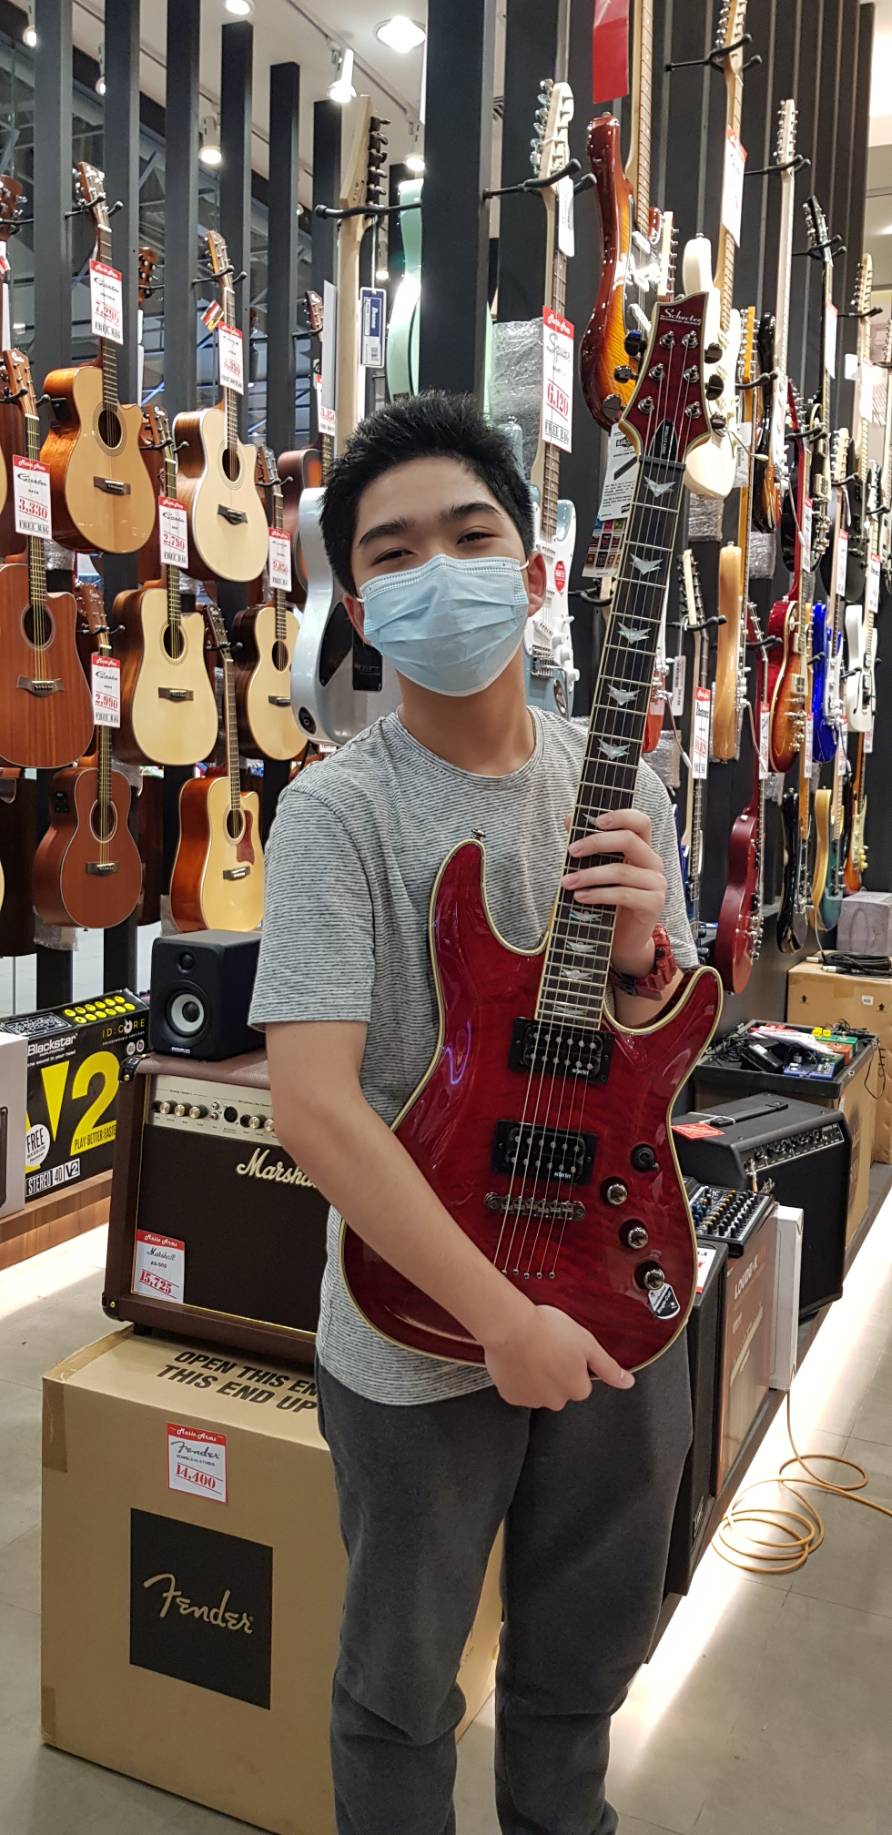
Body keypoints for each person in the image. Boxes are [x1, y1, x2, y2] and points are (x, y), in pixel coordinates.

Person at [251, 392, 698, 1835]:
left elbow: (660, 1045)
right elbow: (315, 1110)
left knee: (583, 1663)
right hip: (418, 1330)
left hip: (613, 1273)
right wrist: (501, 1320)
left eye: (471, 534)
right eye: (393, 553)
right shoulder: (338, 814)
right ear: (359, 607)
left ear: (536, 566)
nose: (438, 570)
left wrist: (643, 957)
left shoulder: (621, 788)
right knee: (399, 1690)